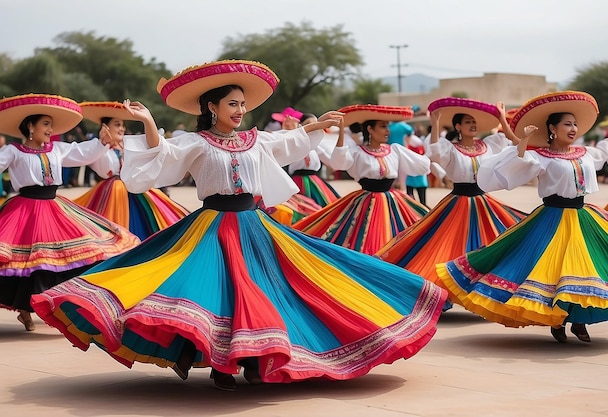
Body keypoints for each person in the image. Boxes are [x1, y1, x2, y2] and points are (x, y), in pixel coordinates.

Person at [31, 60, 447, 391]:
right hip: (212, 224)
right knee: (218, 294)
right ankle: (223, 367)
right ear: (211, 107)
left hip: (253, 224)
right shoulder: (195, 142)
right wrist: (150, 124)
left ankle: (253, 360)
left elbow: (289, 144)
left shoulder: (256, 140)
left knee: (271, 289)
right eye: (232, 104)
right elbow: (161, 160)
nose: (240, 111)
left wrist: (317, 126)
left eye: (243, 105)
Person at [437, 91, 608, 343]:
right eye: (566, 124)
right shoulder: (541, 157)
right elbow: (515, 164)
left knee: (584, 267)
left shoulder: (584, 153)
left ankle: (579, 321)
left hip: (582, 217)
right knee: (554, 270)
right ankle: (557, 319)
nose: (572, 128)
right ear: (552, 128)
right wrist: (523, 139)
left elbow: (605, 151)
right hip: (552, 218)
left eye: (574, 124)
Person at [0, 93, 139, 331]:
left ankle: (53, 306)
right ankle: (24, 308)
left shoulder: (57, 149)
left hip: (52, 206)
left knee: (53, 261)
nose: (50, 129)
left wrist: (101, 142)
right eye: (46, 124)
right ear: (30, 126)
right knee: (26, 261)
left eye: (51, 125)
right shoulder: (14, 151)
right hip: (24, 208)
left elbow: (82, 153)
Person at [377, 98, 527, 290]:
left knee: (493, 242)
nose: (472, 125)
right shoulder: (451, 149)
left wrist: (502, 119)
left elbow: (510, 140)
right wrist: (436, 123)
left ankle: (482, 289)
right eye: (467, 122)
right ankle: (448, 288)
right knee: (451, 245)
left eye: (474, 122)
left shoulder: (487, 146)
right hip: (458, 202)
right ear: (457, 126)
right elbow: (434, 151)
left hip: (483, 201)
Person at [293, 104, 431, 255]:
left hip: (392, 199)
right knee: (365, 240)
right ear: (370, 129)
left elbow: (424, 165)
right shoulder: (358, 152)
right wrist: (341, 133)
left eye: (387, 126)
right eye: (383, 126)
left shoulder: (395, 150)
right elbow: (338, 163)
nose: (387, 131)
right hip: (366, 200)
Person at [73, 101, 190, 240]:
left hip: (135, 188)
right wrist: (103, 144)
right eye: (117, 124)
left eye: (123, 125)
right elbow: (103, 170)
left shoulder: (130, 145)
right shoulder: (99, 149)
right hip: (112, 192)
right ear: (105, 127)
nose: (121, 128)